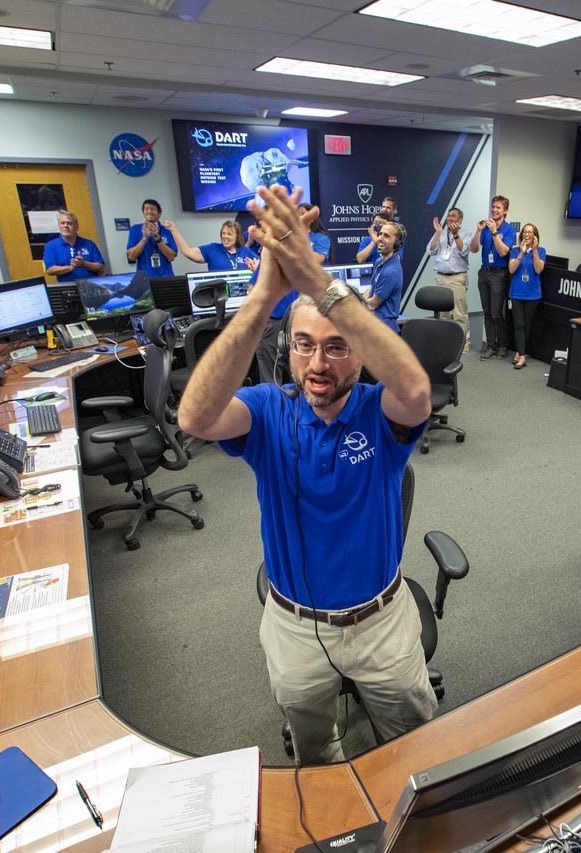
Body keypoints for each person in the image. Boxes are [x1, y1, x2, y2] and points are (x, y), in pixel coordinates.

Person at [177, 184, 436, 765]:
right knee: (315, 755)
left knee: (413, 748)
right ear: (288, 351)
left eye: (338, 347)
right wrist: (265, 292)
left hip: (381, 622)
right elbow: (194, 418)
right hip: (293, 626)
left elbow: (417, 391)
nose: (318, 364)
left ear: (362, 354)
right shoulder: (268, 410)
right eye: (304, 345)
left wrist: (317, 281)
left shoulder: (379, 412)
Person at [256, 203, 332, 383]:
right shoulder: (278, 244)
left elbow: (317, 259)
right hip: (275, 318)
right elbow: (255, 285)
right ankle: (273, 398)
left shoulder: (319, 239)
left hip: (303, 313)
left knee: (300, 365)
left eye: (302, 213)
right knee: (271, 367)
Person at [472, 195, 516, 359]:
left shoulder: (509, 230)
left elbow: (503, 251)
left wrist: (494, 232)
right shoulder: (485, 228)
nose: (494, 210)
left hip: (499, 273)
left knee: (497, 312)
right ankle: (491, 346)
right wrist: (478, 230)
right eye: (493, 207)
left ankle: (503, 345)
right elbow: (474, 249)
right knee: (487, 312)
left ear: (505, 211)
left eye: (498, 207)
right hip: (484, 272)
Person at [427, 207, 472, 352]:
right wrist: (438, 232)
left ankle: (463, 344)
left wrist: (456, 235)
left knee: (459, 314)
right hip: (441, 277)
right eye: (448, 216)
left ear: (460, 220)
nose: (450, 218)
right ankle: (444, 342)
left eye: (453, 216)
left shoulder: (466, 234)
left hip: (457, 278)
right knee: (442, 314)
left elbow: (463, 251)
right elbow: (431, 250)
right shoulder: (441, 233)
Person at [507, 223, 545, 370]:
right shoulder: (515, 250)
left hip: (532, 294)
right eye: (525, 232)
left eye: (530, 232)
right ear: (522, 234)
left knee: (527, 324)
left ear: (535, 236)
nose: (527, 234)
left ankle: (519, 352)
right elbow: (511, 269)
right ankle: (522, 355)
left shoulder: (541, 251)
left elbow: (538, 269)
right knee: (518, 324)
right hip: (517, 293)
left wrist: (534, 250)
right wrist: (521, 253)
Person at [164, 219, 259, 273]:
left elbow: (263, 266)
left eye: (229, 234)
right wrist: (174, 230)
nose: (225, 236)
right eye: (223, 233)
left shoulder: (245, 251)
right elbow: (188, 252)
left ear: (237, 236)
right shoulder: (213, 249)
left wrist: (255, 269)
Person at [364, 222, 406, 331]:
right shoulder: (379, 261)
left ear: (397, 244)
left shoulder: (391, 272)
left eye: (386, 236)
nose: (380, 238)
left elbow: (373, 303)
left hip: (385, 329)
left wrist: (353, 301)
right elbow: (371, 288)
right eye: (380, 234)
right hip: (374, 323)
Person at [42, 210, 104, 281]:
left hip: (91, 284)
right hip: (67, 286)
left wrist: (84, 263)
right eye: (62, 223)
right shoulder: (51, 246)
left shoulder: (90, 244)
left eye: (69, 223)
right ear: (59, 226)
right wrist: (71, 267)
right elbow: (49, 270)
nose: (65, 226)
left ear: (76, 226)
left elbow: (101, 267)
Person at [126, 198, 177, 278]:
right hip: (145, 279)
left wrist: (158, 239)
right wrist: (144, 239)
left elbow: (171, 257)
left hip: (166, 277)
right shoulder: (135, 229)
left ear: (159, 213)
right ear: (143, 212)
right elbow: (131, 257)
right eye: (146, 209)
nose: (149, 212)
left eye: (152, 209)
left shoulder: (167, 230)